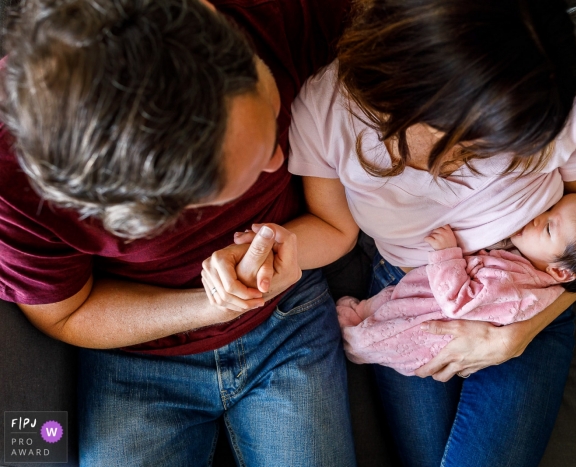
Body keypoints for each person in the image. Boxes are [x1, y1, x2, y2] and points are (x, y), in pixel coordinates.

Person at [205, 0, 576, 465]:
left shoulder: (568, 82)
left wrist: (516, 333)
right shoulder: (325, 113)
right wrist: (273, 249)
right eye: (479, 148)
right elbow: (333, 229)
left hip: (527, 284)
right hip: (410, 301)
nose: (485, 164)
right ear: (411, 103)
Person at [0, 0, 358, 465]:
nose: (279, 161)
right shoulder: (15, 175)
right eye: (243, 177)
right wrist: (212, 304)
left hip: (289, 312)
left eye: (271, 113)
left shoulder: (284, 13)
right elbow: (65, 314)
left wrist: (285, 255)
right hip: (135, 354)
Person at [336, 193, 576, 376]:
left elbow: (458, 301)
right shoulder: (534, 270)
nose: (536, 218)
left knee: (386, 330)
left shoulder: (514, 284)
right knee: (389, 303)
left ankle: (355, 341)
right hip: (429, 303)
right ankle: (362, 316)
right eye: (549, 209)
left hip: (432, 325)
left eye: (547, 227)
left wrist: (446, 254)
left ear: (560, 273)